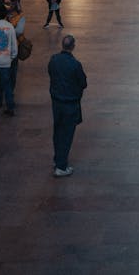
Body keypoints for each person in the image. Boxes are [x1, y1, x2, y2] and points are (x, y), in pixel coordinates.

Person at [48, 34, 88, 177]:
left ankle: (58, 159)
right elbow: (83, 83)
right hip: (70, 103)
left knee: (57, 132)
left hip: (56, 102)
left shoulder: (53, 60)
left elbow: (51, 74)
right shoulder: (75, 64)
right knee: (67, 134)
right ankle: (61, 166)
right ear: (73, 46)